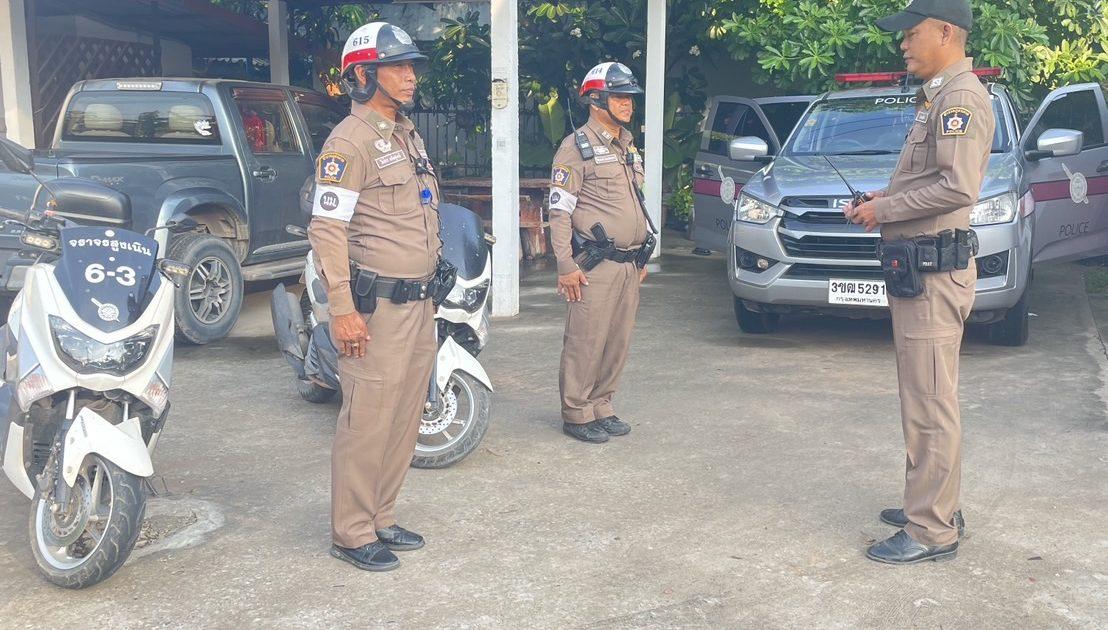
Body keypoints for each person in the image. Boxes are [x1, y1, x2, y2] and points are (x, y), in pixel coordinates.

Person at [845, 0, 994, 564]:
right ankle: (931, 503)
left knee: (929, 403)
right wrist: (882, 198)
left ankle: (932, 530)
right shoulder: (939, 96)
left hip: (933, 275)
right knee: (927, 397)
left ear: (946, 32)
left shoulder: (958, 99)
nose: (903, 44)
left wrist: (883, 211)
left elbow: (957, 188)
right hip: (921, 272)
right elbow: (928, 179)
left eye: (911, 34)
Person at [307, 22, 445, 572]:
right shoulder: (349, 142)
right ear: (364, 75)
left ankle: (381, 515)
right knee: (367, 418)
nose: (410, 76)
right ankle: (352, 531)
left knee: (404, 415)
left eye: (412, 66)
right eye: (398, 66)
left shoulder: (407, 135)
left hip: (418, 302)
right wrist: (342, 308)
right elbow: (327, 228)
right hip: (376, 308)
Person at [548, 62, 657, 444]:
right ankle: (576, 411)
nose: (629, 104)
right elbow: (559, 211)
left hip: (628, 264)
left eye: (630, 97)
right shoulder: (575, 148)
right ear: (596, 100)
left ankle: (601, 405)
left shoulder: (627, 145)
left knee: (616, 340)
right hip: (595, 264)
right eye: (620, 97)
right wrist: (565, 265)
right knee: (586, 340)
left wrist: (639, 259)